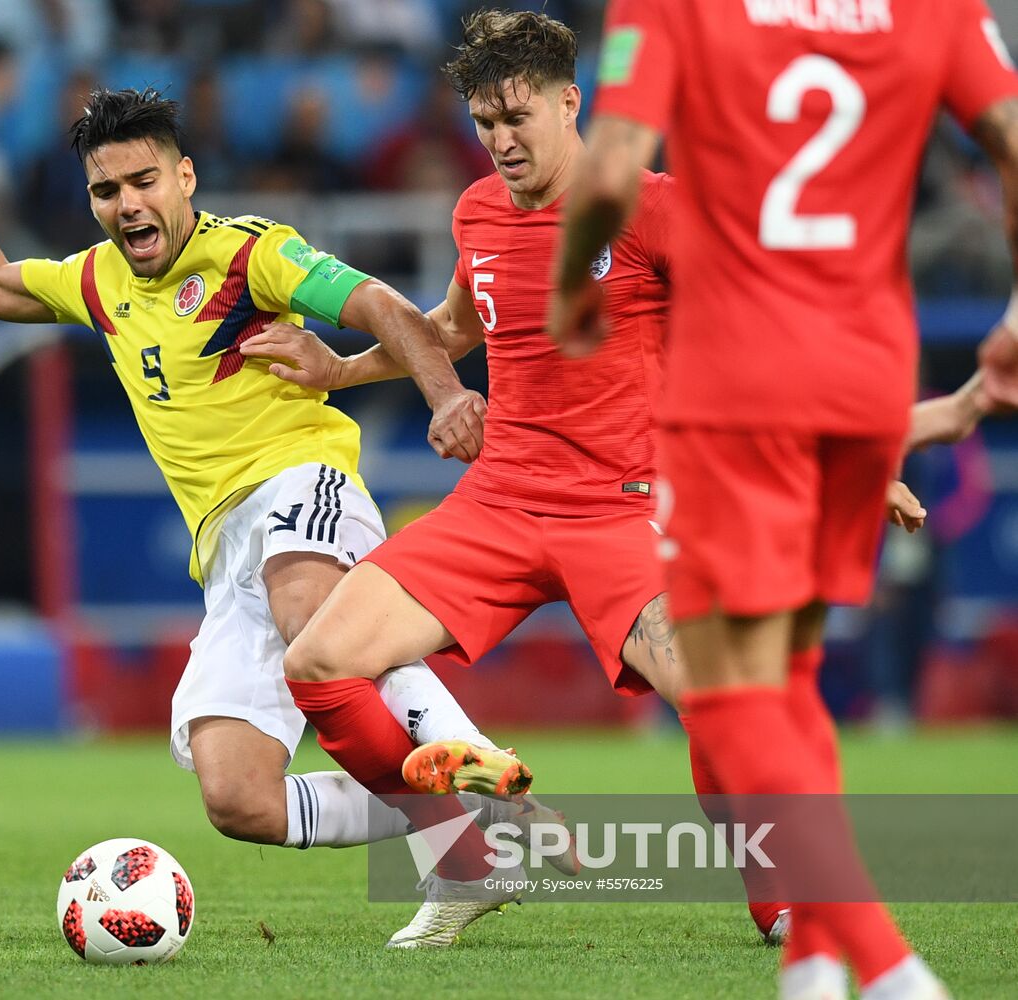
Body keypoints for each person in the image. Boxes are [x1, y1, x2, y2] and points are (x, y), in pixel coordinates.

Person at [253, 7, 935, 952]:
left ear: (572, 104)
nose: (500, 142)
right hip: (498, 502)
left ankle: (780, 899)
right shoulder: (478, 212)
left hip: (626, 509)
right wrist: (340, 369)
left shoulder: (651, 208)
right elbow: (457, 328)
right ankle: (463, 865)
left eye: (517, 118)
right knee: (318, 664)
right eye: (484, 124)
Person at [0, 41, 542, 949]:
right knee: (238, 797)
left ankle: (479, 824)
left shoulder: (249, 254)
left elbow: (376, 302)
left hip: (305, 486)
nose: (127, 205)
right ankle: (463, 836)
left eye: (144, 181)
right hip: (223, 554)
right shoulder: (100, 281)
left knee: (314, 615)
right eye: (107, 192)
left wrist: (447, 394)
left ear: (184, 177)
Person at [550, 2, 1018, 997]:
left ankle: (888, 968)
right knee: (791, 668)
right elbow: (1010, 136)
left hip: (737, 383)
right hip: (866, 374)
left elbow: (610, 161)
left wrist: (571, 289)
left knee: (726, 691)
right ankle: (808, 965)